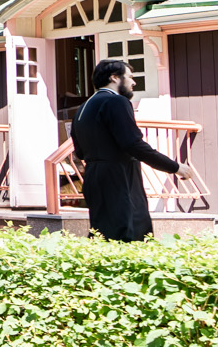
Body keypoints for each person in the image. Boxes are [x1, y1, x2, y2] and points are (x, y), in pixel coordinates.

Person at [71, 57, 198, 242]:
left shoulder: (83, 108)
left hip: (93, 177)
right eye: (130, 77)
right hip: (120, 177)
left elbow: (80, 152)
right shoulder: (117, 102)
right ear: (114, 77)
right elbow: (133, 144)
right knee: (131, 234)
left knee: (103, 236)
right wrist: (175, 167)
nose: (134, 82)